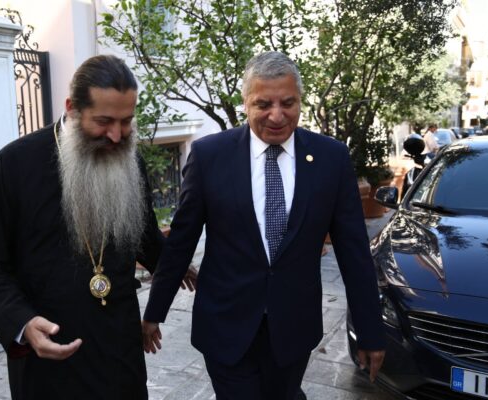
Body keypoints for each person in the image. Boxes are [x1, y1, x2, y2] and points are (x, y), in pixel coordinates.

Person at [142, 51, 385, 400]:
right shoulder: (210, 156)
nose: (277, 115)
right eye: (263, 104)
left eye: (288, 103)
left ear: (300, 101)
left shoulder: (330, 159)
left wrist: (370, 330)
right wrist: (154, 312)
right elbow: (181, 241)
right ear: (246, 104)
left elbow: (354, 252)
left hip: (294, 327)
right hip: (225, 324)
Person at [0, 55, 194, 399]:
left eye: (126, 121)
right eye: (104, 121)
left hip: (120, 349)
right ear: (72, 108)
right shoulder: (15, 164)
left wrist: (175, 264)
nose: (117, 135)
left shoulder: (129, 159)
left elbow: (143, 235)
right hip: (50, 351)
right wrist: (22, 322)